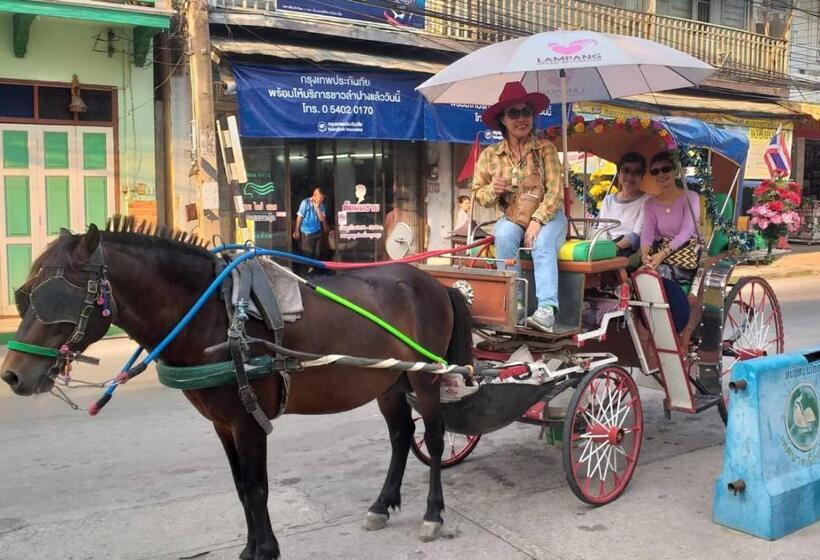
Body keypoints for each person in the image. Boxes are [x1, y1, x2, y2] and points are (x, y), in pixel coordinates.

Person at [472, 81, 567, 332]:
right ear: (503, 119)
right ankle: (515, 304)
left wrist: (537, 220)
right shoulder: (490, 155)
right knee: (502, 234)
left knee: (542, 243)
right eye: (514, 113)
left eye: (526, 112)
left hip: (550, 216)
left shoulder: (545, 148)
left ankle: (547, 309)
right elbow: (478, 195)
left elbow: (556, 192)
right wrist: (495, 189)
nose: (521, 118)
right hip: (513, 216)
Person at [640, 151, 701, 285]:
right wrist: (644, 255)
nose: (661, 174)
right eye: (655, 172)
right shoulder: (650, 204)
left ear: (675, 171)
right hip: (660, 254)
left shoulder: (691, 197)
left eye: (665, 169)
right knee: (638, 273)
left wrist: (663, 254)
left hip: (684, 256)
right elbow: (647, 233)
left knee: (659, 273)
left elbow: (687, 231)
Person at [598, 152, 648, 264]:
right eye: (626, 171)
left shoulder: (647, 201)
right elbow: (602, 228)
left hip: (629, 249)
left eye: (636, 172)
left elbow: (637, 234)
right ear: (619, 173)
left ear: (642, 176)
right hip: (607, 246)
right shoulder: (608, 200)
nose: (630, 176)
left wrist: (614, 249)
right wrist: (602, 249)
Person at [293, 187, 328, 270]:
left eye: (322, 199)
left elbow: (321, 219)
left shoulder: (321, 205)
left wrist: (317, 208)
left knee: (317, 253)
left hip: (317, 232)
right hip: (306, 232)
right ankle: (305, 272)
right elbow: (299, 217)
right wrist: (296, 230)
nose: (321, 200)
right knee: (307, 254)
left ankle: (313, 271)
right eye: (320, 198)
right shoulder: (305, 203)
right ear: (314, 196)